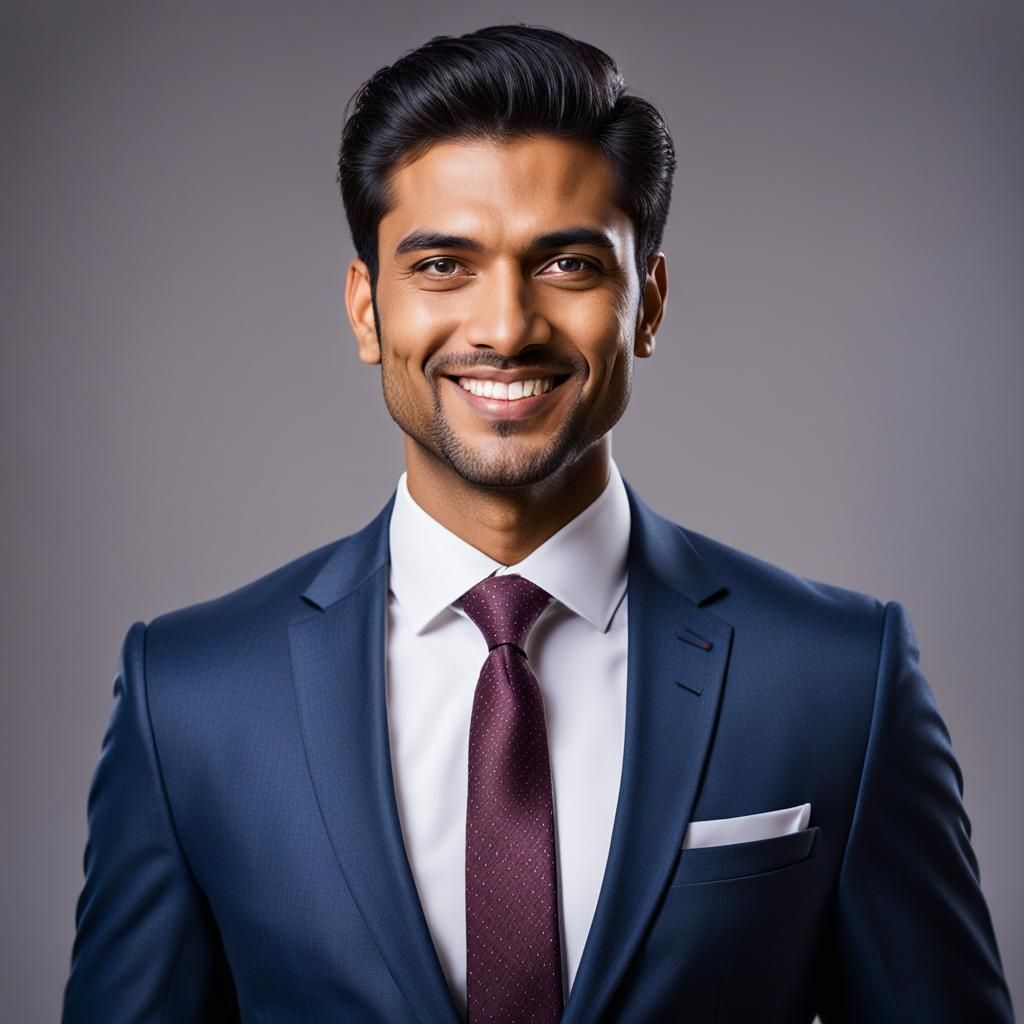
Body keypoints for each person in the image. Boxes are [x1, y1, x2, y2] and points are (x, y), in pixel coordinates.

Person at [63, 23, 1013, 1023]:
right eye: (442, 267)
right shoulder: (191, 701)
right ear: (365, 309)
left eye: (565, 264)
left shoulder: (838, 679)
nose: (506, 326)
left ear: (645, 303)